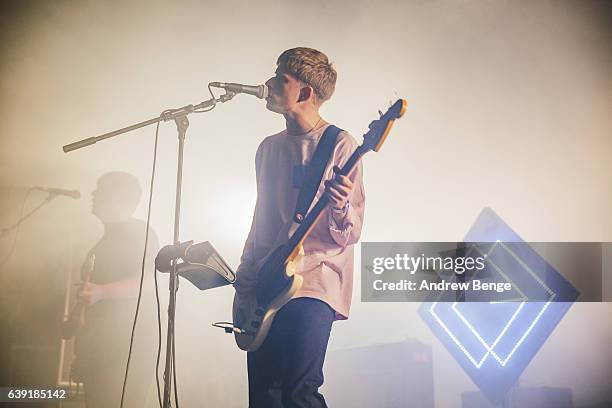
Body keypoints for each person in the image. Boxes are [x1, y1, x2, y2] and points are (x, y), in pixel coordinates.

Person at [234, 47, 365, 408]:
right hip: (267, 278)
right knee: (264, 396)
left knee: (299, 391)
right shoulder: (268, 149)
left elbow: (350, 233)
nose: (270, 84)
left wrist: (339, 205)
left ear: (305, 92)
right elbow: (261, 218)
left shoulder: (340, 144)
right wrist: (247, 267)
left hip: (315, 281)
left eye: (281, 78)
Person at [73, 171, 159, 408]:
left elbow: (150, 280)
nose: (93, 193)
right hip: (99, 351)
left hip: (127, 351)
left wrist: (101, 292)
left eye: (100, 188)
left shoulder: (139, 231)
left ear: (119, 196)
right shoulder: (99, 238)